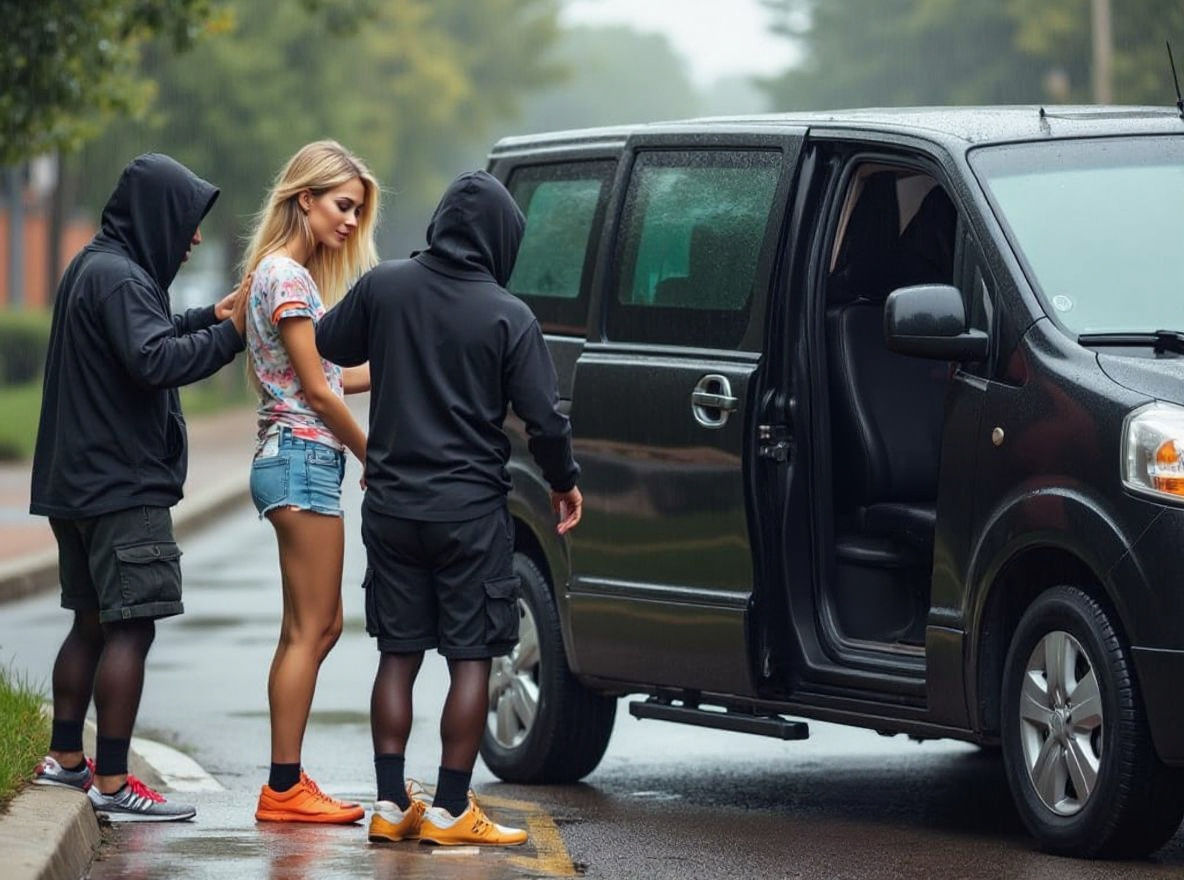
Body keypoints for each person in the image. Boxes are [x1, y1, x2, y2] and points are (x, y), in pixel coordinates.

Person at [316, 170, 583, 846]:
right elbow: (545, 420)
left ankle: (386, 804)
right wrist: (563, 481)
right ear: (499, 238)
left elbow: (329, 343)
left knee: (398, 655)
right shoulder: (507, 313)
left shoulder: (387, 286)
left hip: (393, 504)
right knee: (471, 658)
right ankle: (451, 809)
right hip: (468, 511)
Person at [30, 153, 249, 821]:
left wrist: (210, 315)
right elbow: (155, 360)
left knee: (90, 623)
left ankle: (68, 762)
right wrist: (235, 335)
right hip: (121, 489)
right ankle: (115, 783)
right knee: (132, 628)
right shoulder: (122, 278)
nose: (196, 238)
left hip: (77, 486)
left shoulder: (97, 268)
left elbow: (143, 339)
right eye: (188, 223)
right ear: (157, 216)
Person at [242, 140, 380, 824]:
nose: (351, 222)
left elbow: (331, 378)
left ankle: (287, 781)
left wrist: (403, 357)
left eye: (357, 210)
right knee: (310, 629)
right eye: (342, 205)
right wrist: (370, 455)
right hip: (301, 454)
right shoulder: (289, 277)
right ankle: (284, 787)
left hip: (296, 454)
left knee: (315, 626)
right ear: (306, 198)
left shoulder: (281, 275)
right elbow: (321, 398)